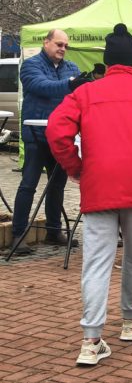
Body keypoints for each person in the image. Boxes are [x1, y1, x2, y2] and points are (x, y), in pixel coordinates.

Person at [46, 23, 132, 366]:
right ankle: (130, 321)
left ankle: (91, 341)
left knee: (96, 263)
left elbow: (57, 131)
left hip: (99, 184)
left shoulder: (85, 93)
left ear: (107, 63)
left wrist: (76, 167)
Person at [10, 28, 84, 254]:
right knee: (28, 185)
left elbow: (76, 94)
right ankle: (18, 235)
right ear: (46, 42)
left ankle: (54, 230)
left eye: (65, 46)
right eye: (59, 44)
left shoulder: (71, 68)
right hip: (36, 136)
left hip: (60, 136)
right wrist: (71, 84)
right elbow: (40, 86)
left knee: (57, 186)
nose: (63, 49)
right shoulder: (31, 65)